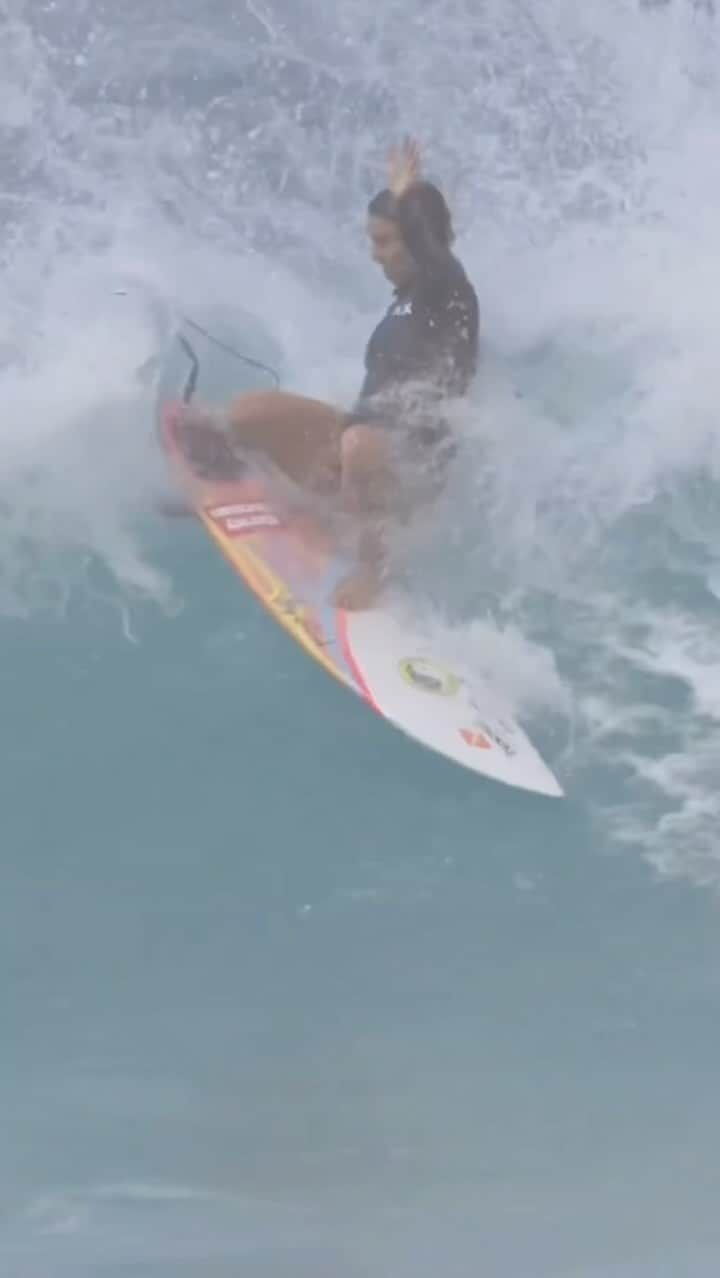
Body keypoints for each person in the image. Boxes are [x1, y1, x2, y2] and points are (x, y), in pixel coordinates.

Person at [177, 139, 479, 609]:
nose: (375, 255)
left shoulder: (449, 294)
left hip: (408, 479)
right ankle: (229, 490)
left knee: (361, 446)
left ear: (418, 241)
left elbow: (432, 250)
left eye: (383, 242)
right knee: (246, 413)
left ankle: (373, 568)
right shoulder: (403, 301)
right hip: (357, 455)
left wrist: (406, 195)